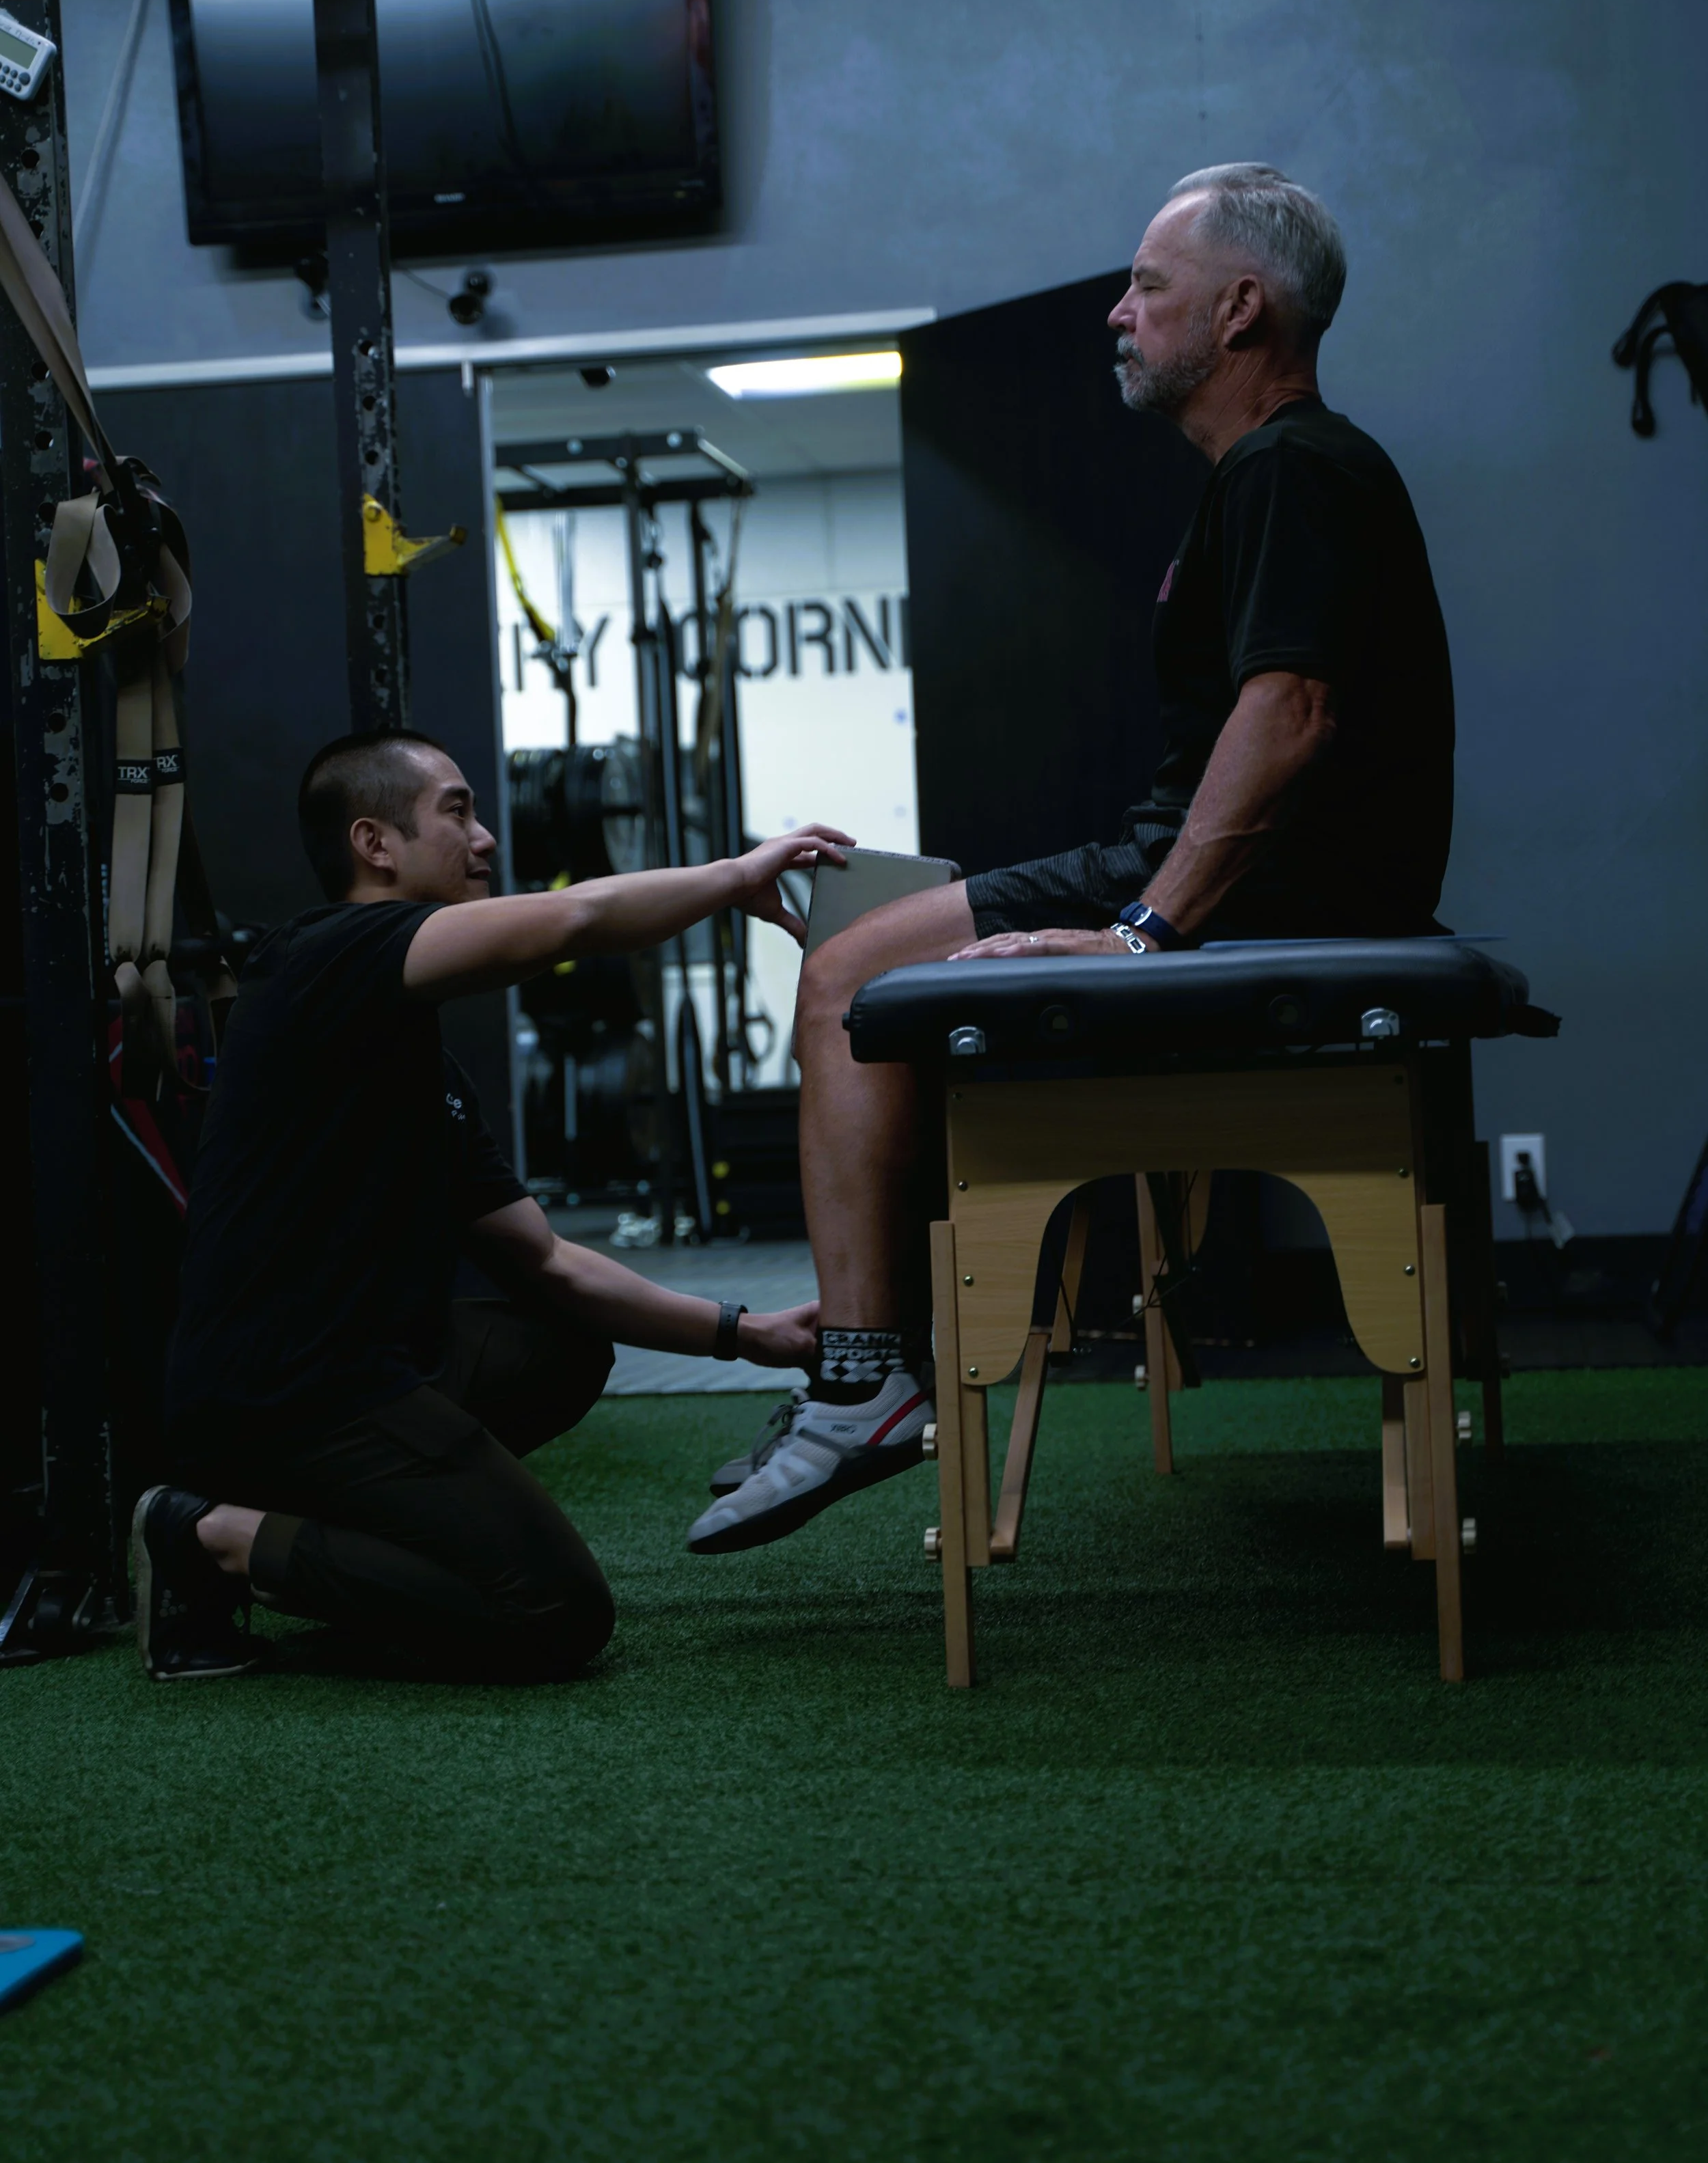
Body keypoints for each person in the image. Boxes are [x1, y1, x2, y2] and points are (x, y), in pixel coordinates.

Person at [687, 161, 1455, 1556]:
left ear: (1235, 311)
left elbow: (1290, 716)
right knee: (862, 923)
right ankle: (878, 1351)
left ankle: (861, 1377)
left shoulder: (1288, 465)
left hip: (1255, 899)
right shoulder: (1264, 475)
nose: (1115, 312)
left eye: (1145, 288)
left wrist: (1141, 935)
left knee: (847, 973)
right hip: (1206, 873)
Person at [135, 726, 849, 1681]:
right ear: (374, 843)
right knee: (554, 1614)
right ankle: (208, 1535)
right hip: (283, 1394)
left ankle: (347, 1528)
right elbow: (574, 923)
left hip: (368, 1364)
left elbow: (547, 1261)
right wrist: (735, 878)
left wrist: (745, 1333)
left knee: (558, 1348)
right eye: (457, 813)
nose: (486, 841)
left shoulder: (419, 1061)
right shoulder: (324, 954)